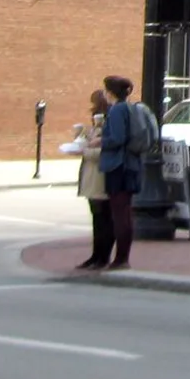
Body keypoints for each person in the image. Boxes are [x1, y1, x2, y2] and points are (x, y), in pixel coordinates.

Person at [99, 74, 142, 270]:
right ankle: (122, 256)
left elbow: (117, 138)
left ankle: (121, 258)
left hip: (119, 166)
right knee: (124, 213)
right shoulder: (129, 108)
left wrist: (99, 141)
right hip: (130, 164)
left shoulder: (117, 110)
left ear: (110, 92)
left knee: (120, 214)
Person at [75, 90, 112, 270]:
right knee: (97, 219)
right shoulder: (97, 128)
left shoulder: (106, 126)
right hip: (92, 176)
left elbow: (103, 151)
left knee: (102, 219)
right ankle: (96, 255)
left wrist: (85, 150)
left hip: (99, 176)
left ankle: (102, 256)